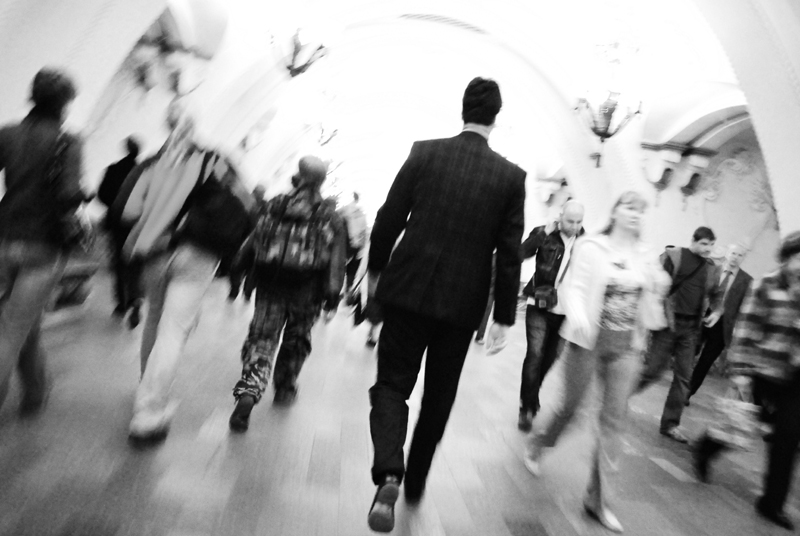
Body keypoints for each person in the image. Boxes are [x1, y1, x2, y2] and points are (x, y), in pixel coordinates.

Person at [366, 77, 526, 533]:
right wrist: (503, 316)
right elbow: (509, 252)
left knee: (392, 383)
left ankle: (389, 471)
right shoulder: (510, 177)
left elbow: (389, 216)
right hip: (461, 303)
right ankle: (416, 478)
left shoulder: (424, 153)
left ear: (463, 110)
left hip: (408, 289)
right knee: (440, 394)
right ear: (496, 118)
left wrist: (376, 271)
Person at [523, 191, 670, 534]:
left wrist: (659, 283)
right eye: (629, 207)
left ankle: (598, 500)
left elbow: (655, 291)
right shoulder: (592, 247)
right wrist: (578, 317)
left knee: (614, 421)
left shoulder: (645, 254)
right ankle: (539, 443)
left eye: (640, 210)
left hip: (627, 347)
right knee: (571, 409)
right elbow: (574, 288)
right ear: (615, 211)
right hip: (587, 341)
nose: (635, 214)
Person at [120, 105, 251, 444]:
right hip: (198, 253)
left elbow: (128, 209)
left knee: (153, 321)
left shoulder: (153, 163)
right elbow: (247, 203)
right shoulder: (214, 160)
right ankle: (149, 411)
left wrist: (156, 214)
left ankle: (147, 389)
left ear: (167, 127)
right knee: (174, 330)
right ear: (194, 128)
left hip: (154, 251)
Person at [228, 156, 346, 432]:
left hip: (270, 286)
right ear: (322, 181)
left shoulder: (276, 204)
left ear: (298, 175)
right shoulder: (330, 216)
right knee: (296, 341)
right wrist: (332, 294)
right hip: (307, 292)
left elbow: (255, 238)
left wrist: (240, 266)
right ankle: (285, 388)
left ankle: (249, 390)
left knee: (261, 340)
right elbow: (336, 261)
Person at [693, 232, 800, 530]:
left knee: (788, 437)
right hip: (762, 370)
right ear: (787, 258)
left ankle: (771, 503)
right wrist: (740, 371)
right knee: (740, 424)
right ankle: (706, 447)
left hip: (794, 377)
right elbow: (746, 329)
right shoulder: (766, 285)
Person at [0, 67, 83, 415]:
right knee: (11, 328)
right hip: (42, 245)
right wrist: (82, 194)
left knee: (24, 321)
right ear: (64, 103)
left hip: (5, 239)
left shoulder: (8, 133)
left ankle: (35, 392)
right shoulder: (68, 142)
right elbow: (68, 196)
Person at [635, 226, 723, 443]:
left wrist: (717, 311)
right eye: (704, 244)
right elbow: (654, 283)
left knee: (684, 377)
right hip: (668, 324)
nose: (708, 249)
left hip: (691, 329)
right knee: (653, 371)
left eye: (711, 245)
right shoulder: (675, 256)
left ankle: (670, 424)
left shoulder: (711, 268)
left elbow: (716, 293)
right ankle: (617, 397)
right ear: (693, 241)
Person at [517, 200, 585, 431]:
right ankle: (526, 408)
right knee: (535, 354)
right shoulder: (544, 233)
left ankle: (532, 393)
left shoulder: (586, 242)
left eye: (578, 222)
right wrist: (543, 234)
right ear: (560, 216)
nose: (574, 226)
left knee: (551, 357)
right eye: (570, 221)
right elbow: (521, 253)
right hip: (539, 304)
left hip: (566, 311)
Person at [687, 243, 752, 402]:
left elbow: (744, 307)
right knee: (689, 353)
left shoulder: (747, 280)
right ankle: (680, 384)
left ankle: (687, 393)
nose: (735, 257)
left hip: (723, 327)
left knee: (705, 361)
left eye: (740, 255)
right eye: (733, 253)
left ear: (744, 258)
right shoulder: (711, 270)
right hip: (703, 317)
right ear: (727, 253)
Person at [97, 136, 143, 327]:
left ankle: (120, 303)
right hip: (136, 223)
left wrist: (115, 205)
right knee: (134, 261)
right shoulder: (143, 172)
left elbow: (102, 194)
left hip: (116, 222)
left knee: (118, 262)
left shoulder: (113, 169)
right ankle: (134, 297)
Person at [338, 191, 368, 293]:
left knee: (340, 268)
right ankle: (348, 289)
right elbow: (364, 233)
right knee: (352, 271)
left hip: (346, 245)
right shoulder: (362, 214)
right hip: (357, 247)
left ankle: (339, 291)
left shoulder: (344, 210)